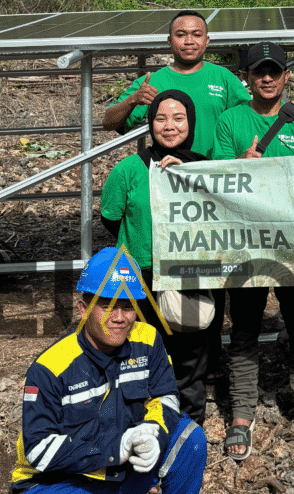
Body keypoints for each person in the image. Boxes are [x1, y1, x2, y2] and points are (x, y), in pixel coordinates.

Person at [10, 247, 206, 494]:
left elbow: (165, 397)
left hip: (121, 470)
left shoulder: (147, 340)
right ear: (83, 309)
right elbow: (39, 449)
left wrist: (154, 436)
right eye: (108, 306)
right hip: (58, 481)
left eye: (127, 306)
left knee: (190, 439)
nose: (119, 317)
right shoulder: (51, 368)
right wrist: (116, 450)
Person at [211, 42, 294, 460]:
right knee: (243, 328)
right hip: (247, 243)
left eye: (275, 71)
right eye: (260, 71)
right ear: (249, 77)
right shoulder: (230, 120)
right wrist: (240, 163)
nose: (268, 78)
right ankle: (242, 411)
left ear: (287, 75)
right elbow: (215, 178)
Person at [100, 89, 214, 426]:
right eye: (161, 118)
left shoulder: (207, 169)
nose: (169, 126)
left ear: (190, 123)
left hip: (190, 269)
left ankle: (189, 421)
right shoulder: (128, 170)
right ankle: (144, 416)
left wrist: (190, 171)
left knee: (191, 346)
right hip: (141, 274)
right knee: (143, 346)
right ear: (150, 124)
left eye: (178, 118)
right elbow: (111, 217)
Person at [102, 9, 251, 159]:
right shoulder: (152, 82)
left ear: (206, 41)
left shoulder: (224, 78)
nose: (189, 41)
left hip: (213, 173)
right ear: (169, 41)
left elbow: (251, 119)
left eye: (197, 35)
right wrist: (133, 99)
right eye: (180, 35)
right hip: (169, 174)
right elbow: (108, 123)